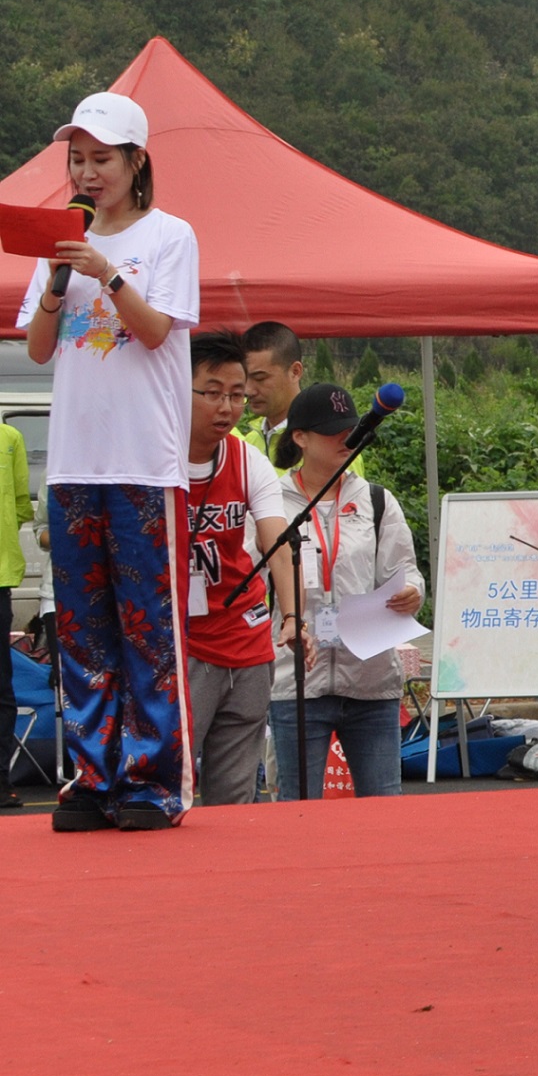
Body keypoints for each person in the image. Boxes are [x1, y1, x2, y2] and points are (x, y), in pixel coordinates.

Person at [17, 91, 201, 831]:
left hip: (143, 463)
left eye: (102, 159)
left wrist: (107, 271)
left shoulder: (170, 235)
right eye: (78, 159)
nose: (87, 173)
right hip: (73, 464)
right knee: (83, 629)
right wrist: (59, 281)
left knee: (147, 628)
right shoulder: (59, 242)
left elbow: (156, 332)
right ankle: (93, 776)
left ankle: (153, 781)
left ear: (136, 161)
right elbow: (38, 348)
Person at [268, 384, 424, 800]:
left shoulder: (376, 500)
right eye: (331, 431)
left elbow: (404, 570)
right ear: (300, 437)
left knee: (383, 806)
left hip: (371, 680)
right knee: (298, 808)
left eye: (351, 429)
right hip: (298, 682)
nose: (346, 438)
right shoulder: (272, 504)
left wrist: (413, 591)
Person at [183, 332, 301, 805]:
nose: (227, 408)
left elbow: (277, 541)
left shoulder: (247, 458)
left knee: (234, 793)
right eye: (212, 393)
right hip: (179, 643)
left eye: (237, 395)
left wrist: (291, 615)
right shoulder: (152, 459)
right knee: (168, 779)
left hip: (245, 638)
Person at [0, 414, 32, 807]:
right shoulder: (9, 437)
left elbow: (22, 505)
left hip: (2, 575)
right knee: (1, 688)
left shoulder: (10, 437)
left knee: (2, 688)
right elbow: (22, 506)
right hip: (1, 574)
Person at [235, 321, 304, 462]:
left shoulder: (326, 445)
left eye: (260, 378)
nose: (248, 390)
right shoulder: (249, 444)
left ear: (295, 372)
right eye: (244, 378)